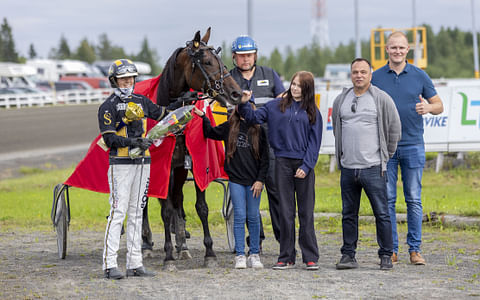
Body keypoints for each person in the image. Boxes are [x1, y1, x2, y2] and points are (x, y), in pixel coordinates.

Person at [99, 59, 192, 279]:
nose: (128, 82)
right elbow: (109, 138)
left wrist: (182, 102)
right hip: (120, 164)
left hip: (142, 163)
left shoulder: (141, 101)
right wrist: (133, 143)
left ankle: (135, 263)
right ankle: (109, 264)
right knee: (118, 213)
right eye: (123, 78)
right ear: (115, 81)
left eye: (131, 78)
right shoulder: (108, 106)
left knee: (136, 213)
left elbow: (163, 114)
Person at [371, 31, 444, 265]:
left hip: (413, 144)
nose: (397, 51)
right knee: (388, 199)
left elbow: (439, 105)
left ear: (408, 50)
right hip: (385, 147)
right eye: (393, 48)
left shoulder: (419, 75)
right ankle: (391, 249)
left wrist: (429, 109)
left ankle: (415, 250)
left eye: (401, 48)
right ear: (387, 50)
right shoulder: (376, 77)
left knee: (413, 199)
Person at [238, 71, 322, 271]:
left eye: (300, 86)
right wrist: (243, 103)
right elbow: (252, 118)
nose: (295, 88)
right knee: (285, 212)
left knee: (305, 212)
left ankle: (310, 256)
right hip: (282, 163)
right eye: (293, 84)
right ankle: (286, 256)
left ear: (307, 89)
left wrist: (306, 166)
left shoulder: (312, 112)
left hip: (303, 165)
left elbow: (314, 142)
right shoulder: (274, 107)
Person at [331, 58, 401, 270]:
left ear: (370, 74)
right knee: (348, 214)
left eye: (363, 72)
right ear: (350, 74)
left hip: (373, 168)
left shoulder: (381, 98)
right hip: (348, 168)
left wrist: (384, 157)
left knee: (382, 213)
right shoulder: (341, 99)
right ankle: (348, 255)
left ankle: (386, 255)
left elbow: (394, 129)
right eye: (355, 72)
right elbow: (337, 128)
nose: (359, 75)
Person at [193, 102, 269, 269]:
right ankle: (240, 254)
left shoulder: (260, 130)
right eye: (240, 107)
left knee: (254, 216)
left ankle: (254, 253)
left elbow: (265, 159)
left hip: (254, 182)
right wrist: (203, 117)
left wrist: (260, 180)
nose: (243, 110)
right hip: (236, 180)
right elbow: (210, 132)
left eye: (247, 106)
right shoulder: (230, 127)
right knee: (240, 216)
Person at [230, 35, 286, 248]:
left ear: (255, 55)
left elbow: (283, 103)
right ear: (234, 57)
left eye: (249, 55)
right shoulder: (228, 78)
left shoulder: (269, 75)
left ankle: (284, 241)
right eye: (242, 55)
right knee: (248, 195)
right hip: (243, 147)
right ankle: (256, 240)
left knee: (276, 192)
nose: (246, 59)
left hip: (270, 143)